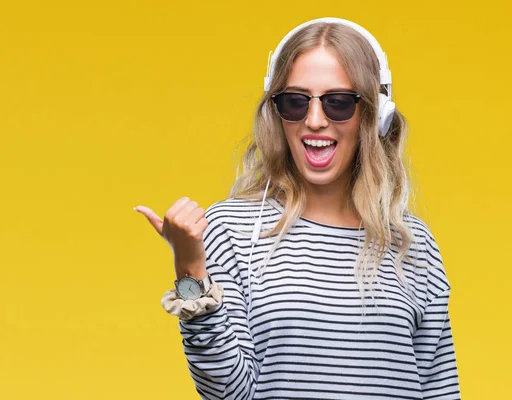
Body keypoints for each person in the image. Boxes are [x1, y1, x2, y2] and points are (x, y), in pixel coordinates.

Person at [135, 17, 461, 400]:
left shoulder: (413, 243)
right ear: (277, 113)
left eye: (339, 103)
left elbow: (440, 390)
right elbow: (227, 394)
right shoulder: (231, 230)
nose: (315, 121)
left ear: (374, 114)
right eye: (295, 101)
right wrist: (190, 270)